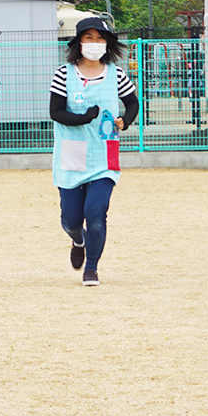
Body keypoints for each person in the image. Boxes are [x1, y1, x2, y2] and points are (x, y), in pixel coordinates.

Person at [49, 16, 140, 286]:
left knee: (96, 213)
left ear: (108, 43)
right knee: (71, 219)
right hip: (72, 154)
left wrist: (127, 119)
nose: (95, 43)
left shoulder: (117, 74)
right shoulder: (63, 74)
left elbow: (133, 103)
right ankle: (78, 240)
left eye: (100, 38)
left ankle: (92, 268)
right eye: (89, 38)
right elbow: (55, 113)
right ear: (78, 42)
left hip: (104, 155)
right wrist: (85, 117)